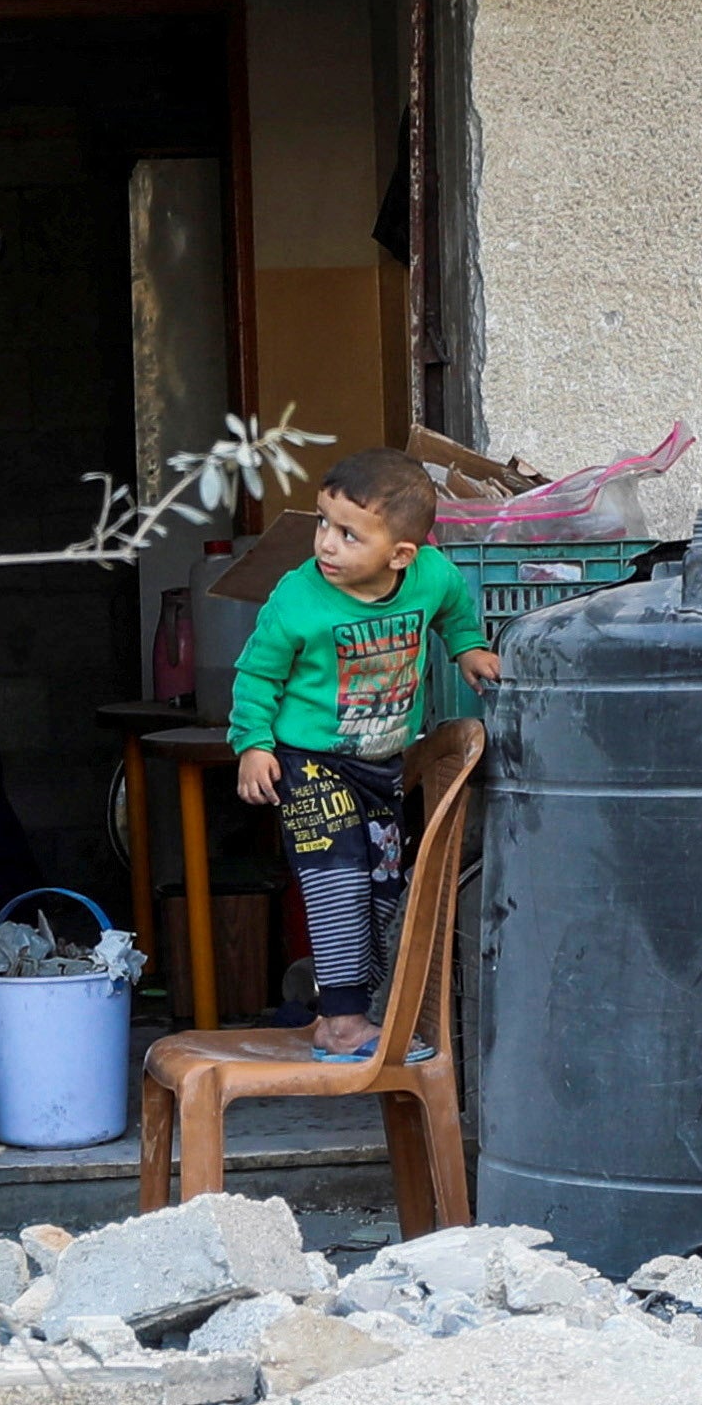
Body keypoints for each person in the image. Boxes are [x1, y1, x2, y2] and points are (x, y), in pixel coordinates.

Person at [231, 448, 503, 1056]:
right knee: (338, 878)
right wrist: (252, 745)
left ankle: (340, 1000)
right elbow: (255, 675)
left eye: (348, 534)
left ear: (400, 555)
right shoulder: (296, 598)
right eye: (322, 523)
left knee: (382, 884)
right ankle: (343, 1023)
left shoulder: (431, 576)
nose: (326, 543)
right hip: (308, 762)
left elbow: (454, 609)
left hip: (381, 767)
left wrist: (467, 648)